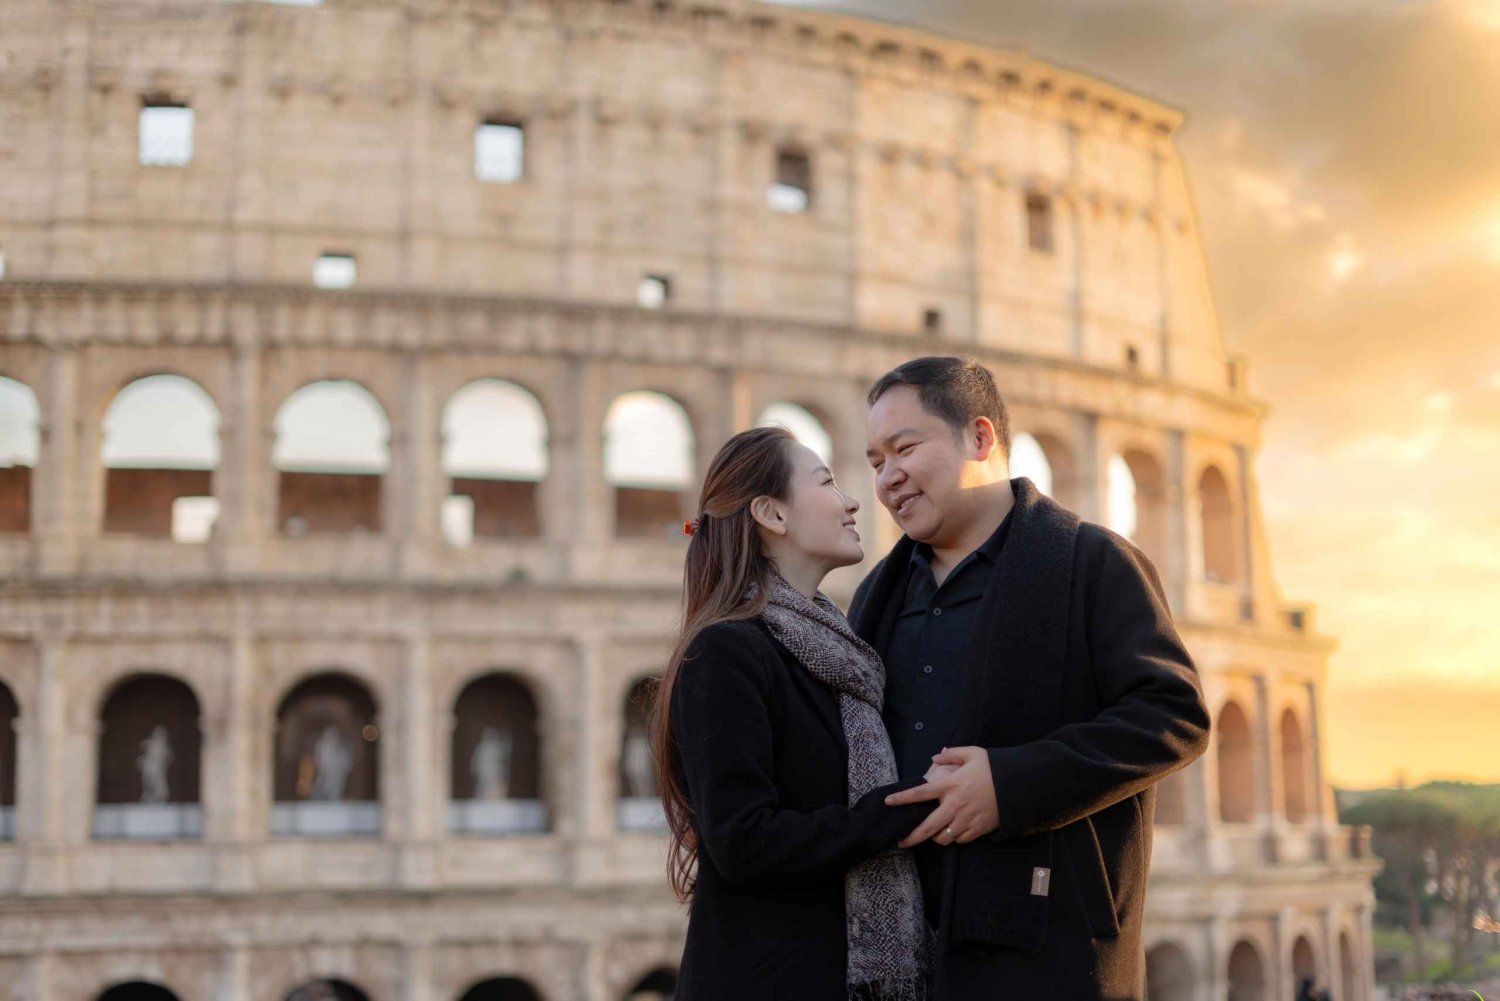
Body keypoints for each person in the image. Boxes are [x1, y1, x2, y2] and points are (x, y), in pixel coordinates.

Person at [855, 357, 1212, 1000]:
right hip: (907, 946)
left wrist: (1011, 784)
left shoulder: (1092, 561)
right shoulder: (876, 595)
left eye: (905, 448)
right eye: (876, 460)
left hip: (1054, 948)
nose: (888, 477)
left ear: (980, 438)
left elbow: (1173, 715)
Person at [653, 426, 940, 1001]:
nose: (854, 499)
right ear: (772, 515)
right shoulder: (726, 651)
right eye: (827, 481)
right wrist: (902, 810)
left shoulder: (842, 656)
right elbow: (743, 841)